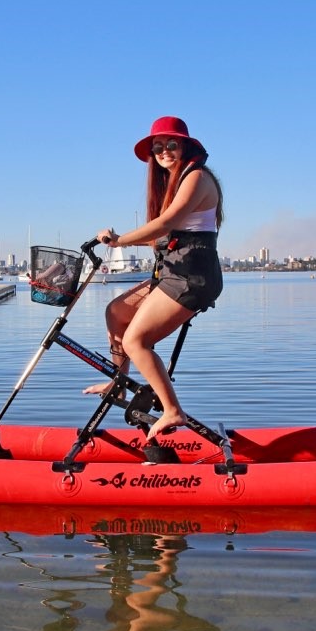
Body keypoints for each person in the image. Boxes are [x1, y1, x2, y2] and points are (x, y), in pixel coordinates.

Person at [84, 116, 224, 441]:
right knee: (115, 313)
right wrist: (114, 236)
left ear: (185, 146)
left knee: (135, 341)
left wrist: (118, 241)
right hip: (175, 274)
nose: (163, 151)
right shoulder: (172, 184)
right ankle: (118, 384)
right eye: (158, 147)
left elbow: (166, 223)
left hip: (193, 278)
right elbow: (159, 235)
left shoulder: (197, 177)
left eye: (171, 145)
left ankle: (173, 410)